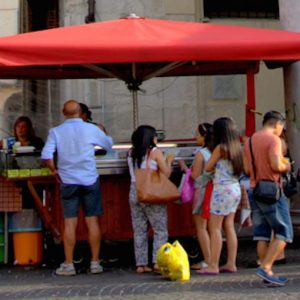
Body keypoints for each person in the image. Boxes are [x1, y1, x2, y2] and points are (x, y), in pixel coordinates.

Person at [41, 99, 113, 276]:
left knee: (70, 222)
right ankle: (95, 262)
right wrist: (102, 132)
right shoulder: (90, 129)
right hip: (89, 179)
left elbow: (46, 156)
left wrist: (54, 171)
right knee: (92, 221)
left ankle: (68, 264)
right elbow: (108, 145)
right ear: (81, 112)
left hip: (68, 181)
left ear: (63, 113)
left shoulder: (56, 132)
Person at [243, 111, 293, 286]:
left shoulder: (249, 140)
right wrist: (286, 165)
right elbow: (276, 165)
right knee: (284, 232)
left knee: (261, 234)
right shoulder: (274, 140)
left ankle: (267, 273)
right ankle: (265, 267)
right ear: (277, 124)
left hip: (254, 189)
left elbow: (247, 169)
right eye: (282, 127)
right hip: (271, 190)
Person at [199, 117, 243, 275]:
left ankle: (213, 265)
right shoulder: (237, 147)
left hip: (221, 190)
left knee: (215, 227)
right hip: (235, 188)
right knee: (229, 226)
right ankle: (231, 263)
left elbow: (208, 167)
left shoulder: (220, 148)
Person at [127, 125, 174, 273]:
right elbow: (166, 174)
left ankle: (141, 265)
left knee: (139, 229)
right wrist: (169, 162)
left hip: (134, 191)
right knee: (160, 229)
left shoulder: (131, 152)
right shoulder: (155, 152)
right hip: (150, 192)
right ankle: (157, 262)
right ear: (150, 138)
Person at [178, 123, 213, 270]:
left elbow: (195, 175)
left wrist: (184, 168)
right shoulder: (216, 151)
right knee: (214, 228)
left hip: (202, 191)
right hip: (215, 191)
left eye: (197, 134)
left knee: (201, 228)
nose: (195, 137)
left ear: (204, 136)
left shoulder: (201, 154)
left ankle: (208, 259)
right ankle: (215, 258)